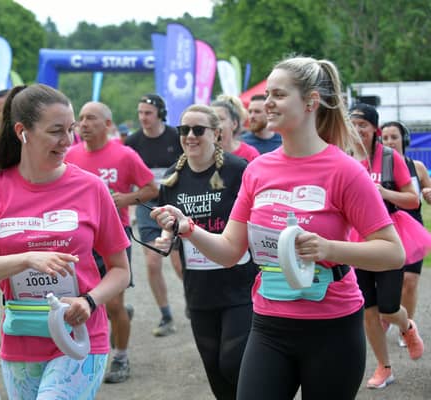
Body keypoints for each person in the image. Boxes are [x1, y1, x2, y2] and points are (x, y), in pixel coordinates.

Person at [150, 56, 407, 400]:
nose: (267, 102)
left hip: (332, 326)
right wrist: (188, 228)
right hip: (269, 324)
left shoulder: (345, 171)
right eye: (267, 93)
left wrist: (329, 249)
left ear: (311, 102)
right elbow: (229, 251)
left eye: (279, 95)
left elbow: (393, 252)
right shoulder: (258, 171)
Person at [0, 84, 130, 399]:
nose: (68, 141)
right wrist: (27, 258)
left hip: (80, 337)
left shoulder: (91, 188)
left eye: (71, 130)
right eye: (56, 131)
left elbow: (120, 269)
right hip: (21, 338)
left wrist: (89, 302)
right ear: (23, 131)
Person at [157, 104, 257, 399]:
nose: (190, 136)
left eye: (198, 130)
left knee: (233, 362)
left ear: (217, 134)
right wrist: (167, 238)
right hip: (199, 287)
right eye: (184, 130)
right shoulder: (171, 179)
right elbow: (172, 224)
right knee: (214, 369)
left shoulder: (239, 170)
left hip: (239, 283)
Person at [65, 101, 158, 384]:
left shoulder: (125, 155)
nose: (84, 124)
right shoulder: (70, 155)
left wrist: (127, 199)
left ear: (107, 124)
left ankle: (120, 358)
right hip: (80, 241)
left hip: (114, 237)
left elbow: (152, 188)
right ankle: (79, 352)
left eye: (91, 118)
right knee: (82, 301)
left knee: (113, 304)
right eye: (80, 118)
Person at [350, 104, 428, 388]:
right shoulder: (343, 158)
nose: (357, 130)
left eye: (363, 125)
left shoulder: (389, 158)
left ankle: (406, 326)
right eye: (353, 124)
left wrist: (382, 191)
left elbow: (413, 200)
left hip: (388, 238)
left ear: (375, 130)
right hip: (356, 241)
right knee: (368, 310)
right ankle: (384, 368)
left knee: (388, 308)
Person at [125, 93, 184, 337]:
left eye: (148, 113)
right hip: (147, 205)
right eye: (140, 113)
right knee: (152, 261)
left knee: (180, 264)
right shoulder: (132, 142)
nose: (143, 118)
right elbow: (127, 178)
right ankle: (166, 315)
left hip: (175, 203)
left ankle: (195, 302)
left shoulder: (175, 137)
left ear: (159, 113)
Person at [382, 121, 431, 333]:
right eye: (385, 138)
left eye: (394, 137)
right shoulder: (378, 168)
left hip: (412, 230)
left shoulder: (417, 167)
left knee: (409, 281)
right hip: (386, 229)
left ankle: (407, 329)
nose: (390, 142)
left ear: (404, 139)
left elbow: (427, 197)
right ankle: (386, 318)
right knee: (384, 282)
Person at [211, 97, 260, 162]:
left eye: (221, 119)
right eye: (212, 119)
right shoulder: (202, 152)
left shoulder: (250, 153)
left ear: (234, 124)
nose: (215, 123)